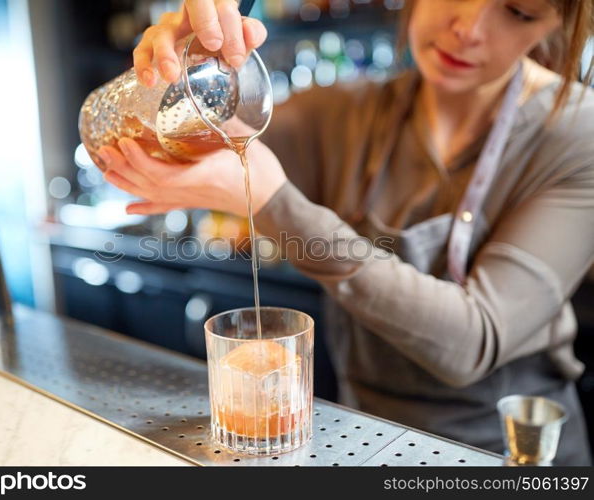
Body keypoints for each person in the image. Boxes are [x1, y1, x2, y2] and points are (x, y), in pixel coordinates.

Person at [98, 0, 594, 465]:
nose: (469, 28)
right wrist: (167, 76)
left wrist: (277, 201)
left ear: (558, 22)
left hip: (505, 453)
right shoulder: (343, 114)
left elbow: (473, 343)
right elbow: (137, 142)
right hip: (367, 439)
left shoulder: (576, 136)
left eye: (518, 11)